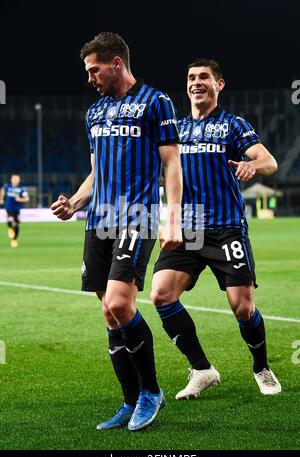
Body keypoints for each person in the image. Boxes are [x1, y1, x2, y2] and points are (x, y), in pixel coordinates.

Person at [50, 32, 182, 431]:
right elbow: (97, 172)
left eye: (94, 70)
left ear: (116, 63)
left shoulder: (156, 102)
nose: (90, 78)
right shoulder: (94, 113)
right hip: (99, 220)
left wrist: (173, 217)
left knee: (122, 303)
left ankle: (151, 391)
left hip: (136, 215)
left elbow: (171, 164)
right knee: (109, 314)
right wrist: (74, 202)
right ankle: (128, 401)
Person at [151, 58, 281, 399]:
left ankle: (261, 367)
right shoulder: (175, 129)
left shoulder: (233, 125)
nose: (196, 82)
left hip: (226, 229)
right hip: (187, 229)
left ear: (218, 84)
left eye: (204, 77)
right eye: (191, 77)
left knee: (243, 307)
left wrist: (252, 165)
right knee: (161, 295)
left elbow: (269, 161)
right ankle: (202, 369)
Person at [0, 174, 30, 248]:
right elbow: (2, 190)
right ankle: (10, 227)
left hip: (17, 209)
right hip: (9, 207)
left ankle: (14, 239)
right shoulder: (7, 186)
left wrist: (20, 199)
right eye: (14, 179)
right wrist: (1, 199)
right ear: (11, 179)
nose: (15, 180)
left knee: (16, 225)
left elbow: (27, 199)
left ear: (19, 180)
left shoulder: (22, 188)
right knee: (10, 220)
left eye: (17, 179)